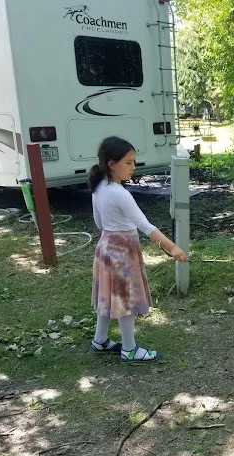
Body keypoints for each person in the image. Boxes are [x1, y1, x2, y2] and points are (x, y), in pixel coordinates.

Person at [87, 136, 187, 363]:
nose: (134, 167)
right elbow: (145, 226)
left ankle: (100, 340)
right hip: (121, 252)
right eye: (128, 162)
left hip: (105, 247)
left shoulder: (99, 187)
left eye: (134, 161)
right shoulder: (120, 193)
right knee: (126, 299)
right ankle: (129, 349)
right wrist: (172, 247)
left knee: (107, 296)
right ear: (112, 164)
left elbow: (99, 223)